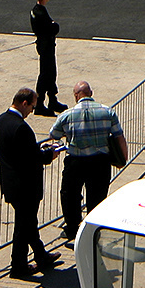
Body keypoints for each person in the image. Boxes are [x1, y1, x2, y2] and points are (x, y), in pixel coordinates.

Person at [0, 87, 62, 279]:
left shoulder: (1, 120)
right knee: (23, 227)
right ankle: (19, 266)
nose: (32, 111)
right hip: (25, 187)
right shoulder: (21, 128)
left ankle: (41, 256)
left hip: (11, 184)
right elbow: (32, 158)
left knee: (28, 224)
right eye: (31, 106)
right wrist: (49, 154)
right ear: (24, 103)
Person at [48, 80, 127, 241]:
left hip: (76, 162)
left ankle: (72, 229)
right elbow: (119, 137)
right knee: (97, 197)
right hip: (100, 162)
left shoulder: (67, 115)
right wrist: (122, 159)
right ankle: (93, 230)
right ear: (91, 93)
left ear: (76, 96)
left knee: (70, 195)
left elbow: (53, 134)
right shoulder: (107, 112)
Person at [31, 0, 66, 116]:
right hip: (46, 47)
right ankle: (40, 104)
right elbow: (53, 28)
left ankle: (52, 100)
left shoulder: (37, 10)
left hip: (45, 45)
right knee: (45, 74)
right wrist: (54, 25)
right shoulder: (40, 12)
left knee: (51, 73)